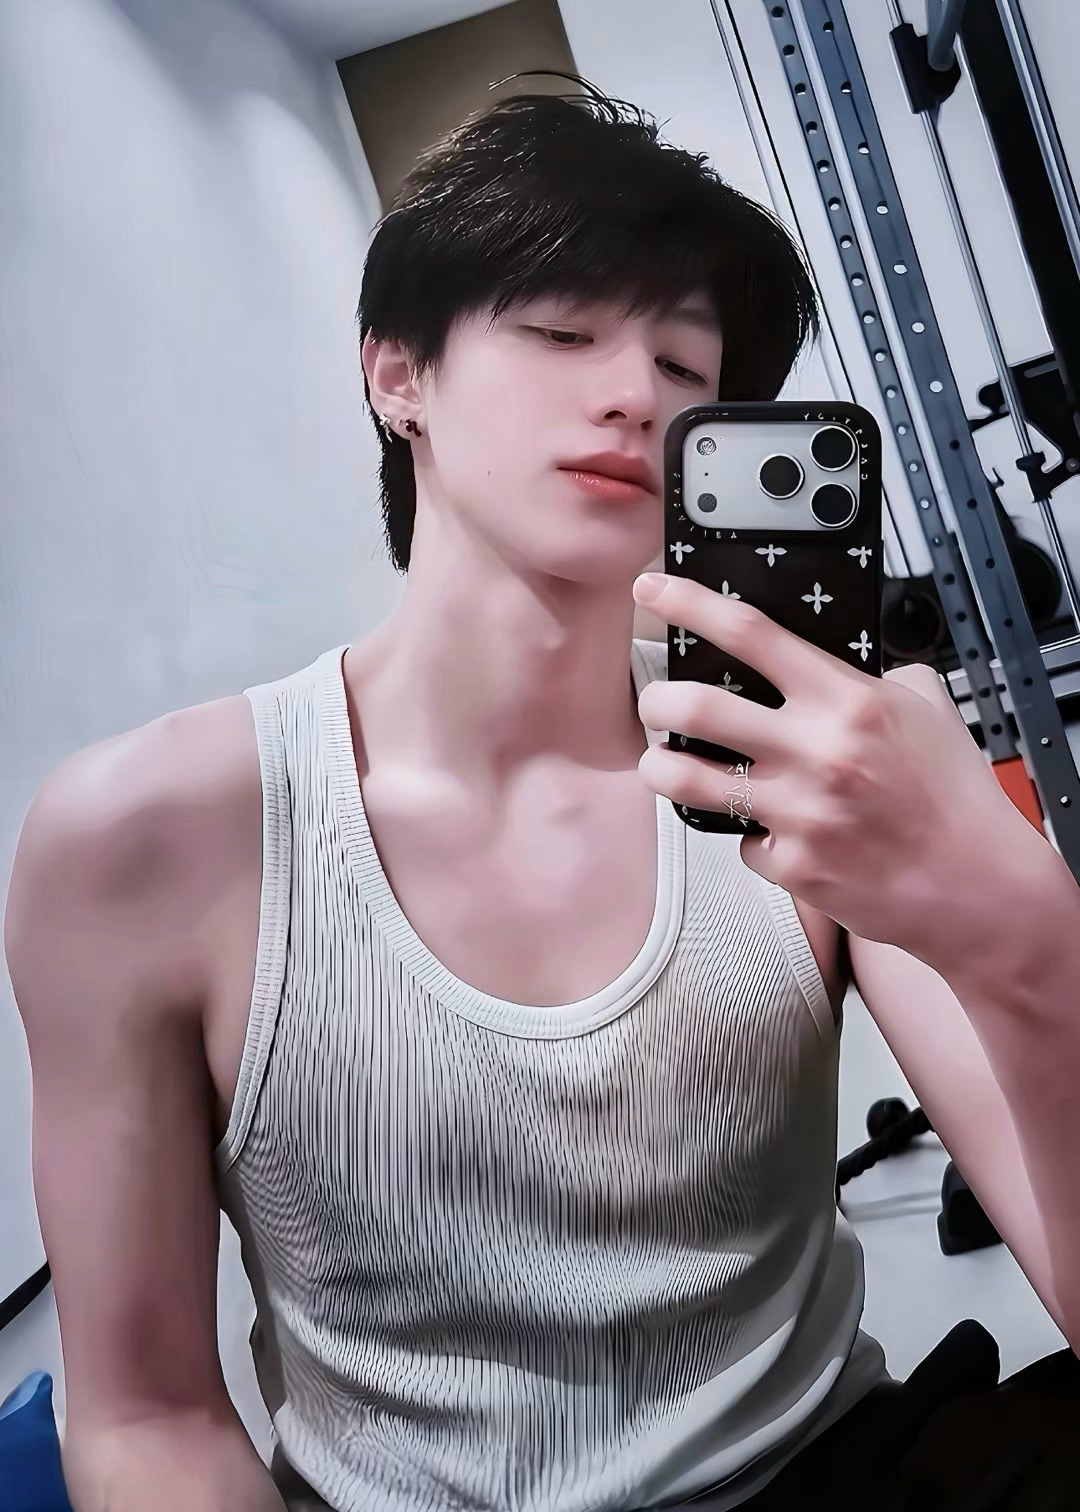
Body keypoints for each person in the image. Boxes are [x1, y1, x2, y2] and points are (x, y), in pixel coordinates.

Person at [5, 82, 1080, 1512]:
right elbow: (145, 1416)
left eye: (686, 368)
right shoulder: (144, 838)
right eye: (564, 333)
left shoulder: (798, 778)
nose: (633, 393)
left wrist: (1026, 927)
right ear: (398, 375)